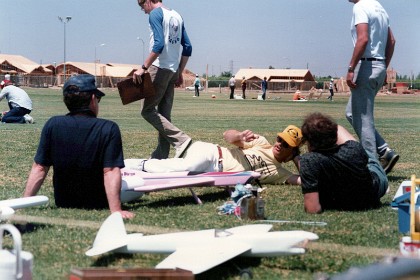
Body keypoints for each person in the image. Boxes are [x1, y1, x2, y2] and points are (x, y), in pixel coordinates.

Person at [23, 74, 135, 219]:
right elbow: (111, 171)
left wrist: (24, 203)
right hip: (97, 202)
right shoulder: (108, 128)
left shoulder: (53, 124)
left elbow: (39, 168)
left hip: (64, 201)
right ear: (93, 99)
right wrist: (116, 210)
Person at [125, 125, 303, 185]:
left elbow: (304, 179)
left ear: (292, 151)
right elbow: (227, 135)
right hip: (212, 154)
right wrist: (240, 136)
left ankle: (137, 169)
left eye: (286, 144)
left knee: (175, 176)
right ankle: (132, 164)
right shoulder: (262, 142)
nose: (279, 144)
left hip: (214, 172)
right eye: (280, 139)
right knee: (186, 167)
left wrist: (296, 158)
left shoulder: (280, 173)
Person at [133, 0, 193, 159]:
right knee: (164, 114)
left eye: (142, 6)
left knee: (146, 110)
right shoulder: (177, 15)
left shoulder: (155, 14)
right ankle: (161, 155)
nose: (143, 11)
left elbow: (158, 45)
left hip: (158, 68)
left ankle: (181, 140)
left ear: (147, 1)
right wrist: (179, 72)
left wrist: (143, 67)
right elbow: (188, 47)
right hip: (172, 69)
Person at [345, 0, 398, 174]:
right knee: (352, 113)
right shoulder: (380, 8)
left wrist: (351, 68)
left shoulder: (360, 7)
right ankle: (384, 150)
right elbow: (391, 41)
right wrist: (383, 68)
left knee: (363, 118)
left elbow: (363, 38)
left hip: (367, 66)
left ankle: (373, 167)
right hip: (379, 65)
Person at [298, 112, 388, 213]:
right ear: (334, 136)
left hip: (337, 201)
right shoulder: (352, 147)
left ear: (309, 142)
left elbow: (313, 209)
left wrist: (295, 157)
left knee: (366, 157)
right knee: (368, 157)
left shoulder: (308, 161)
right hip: (371, 195)